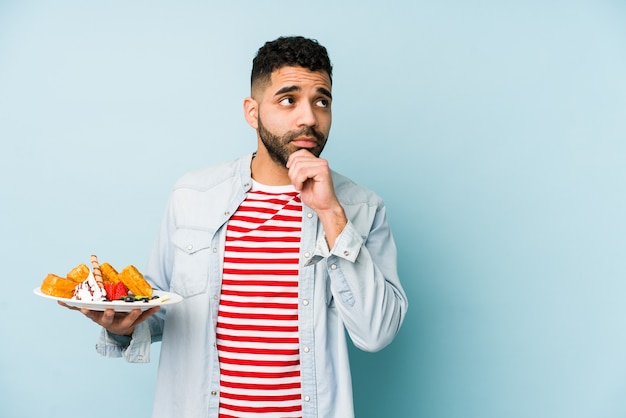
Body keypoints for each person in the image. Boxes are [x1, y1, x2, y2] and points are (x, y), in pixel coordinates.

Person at [62, 35, 408, 418]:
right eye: (288, 99)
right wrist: (120, 323)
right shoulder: (193, 195)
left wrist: (331, 214)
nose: (308, 117)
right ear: (252, 111)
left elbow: (376, 333)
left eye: (321, 101)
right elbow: (161, 308)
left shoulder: (361, 208)